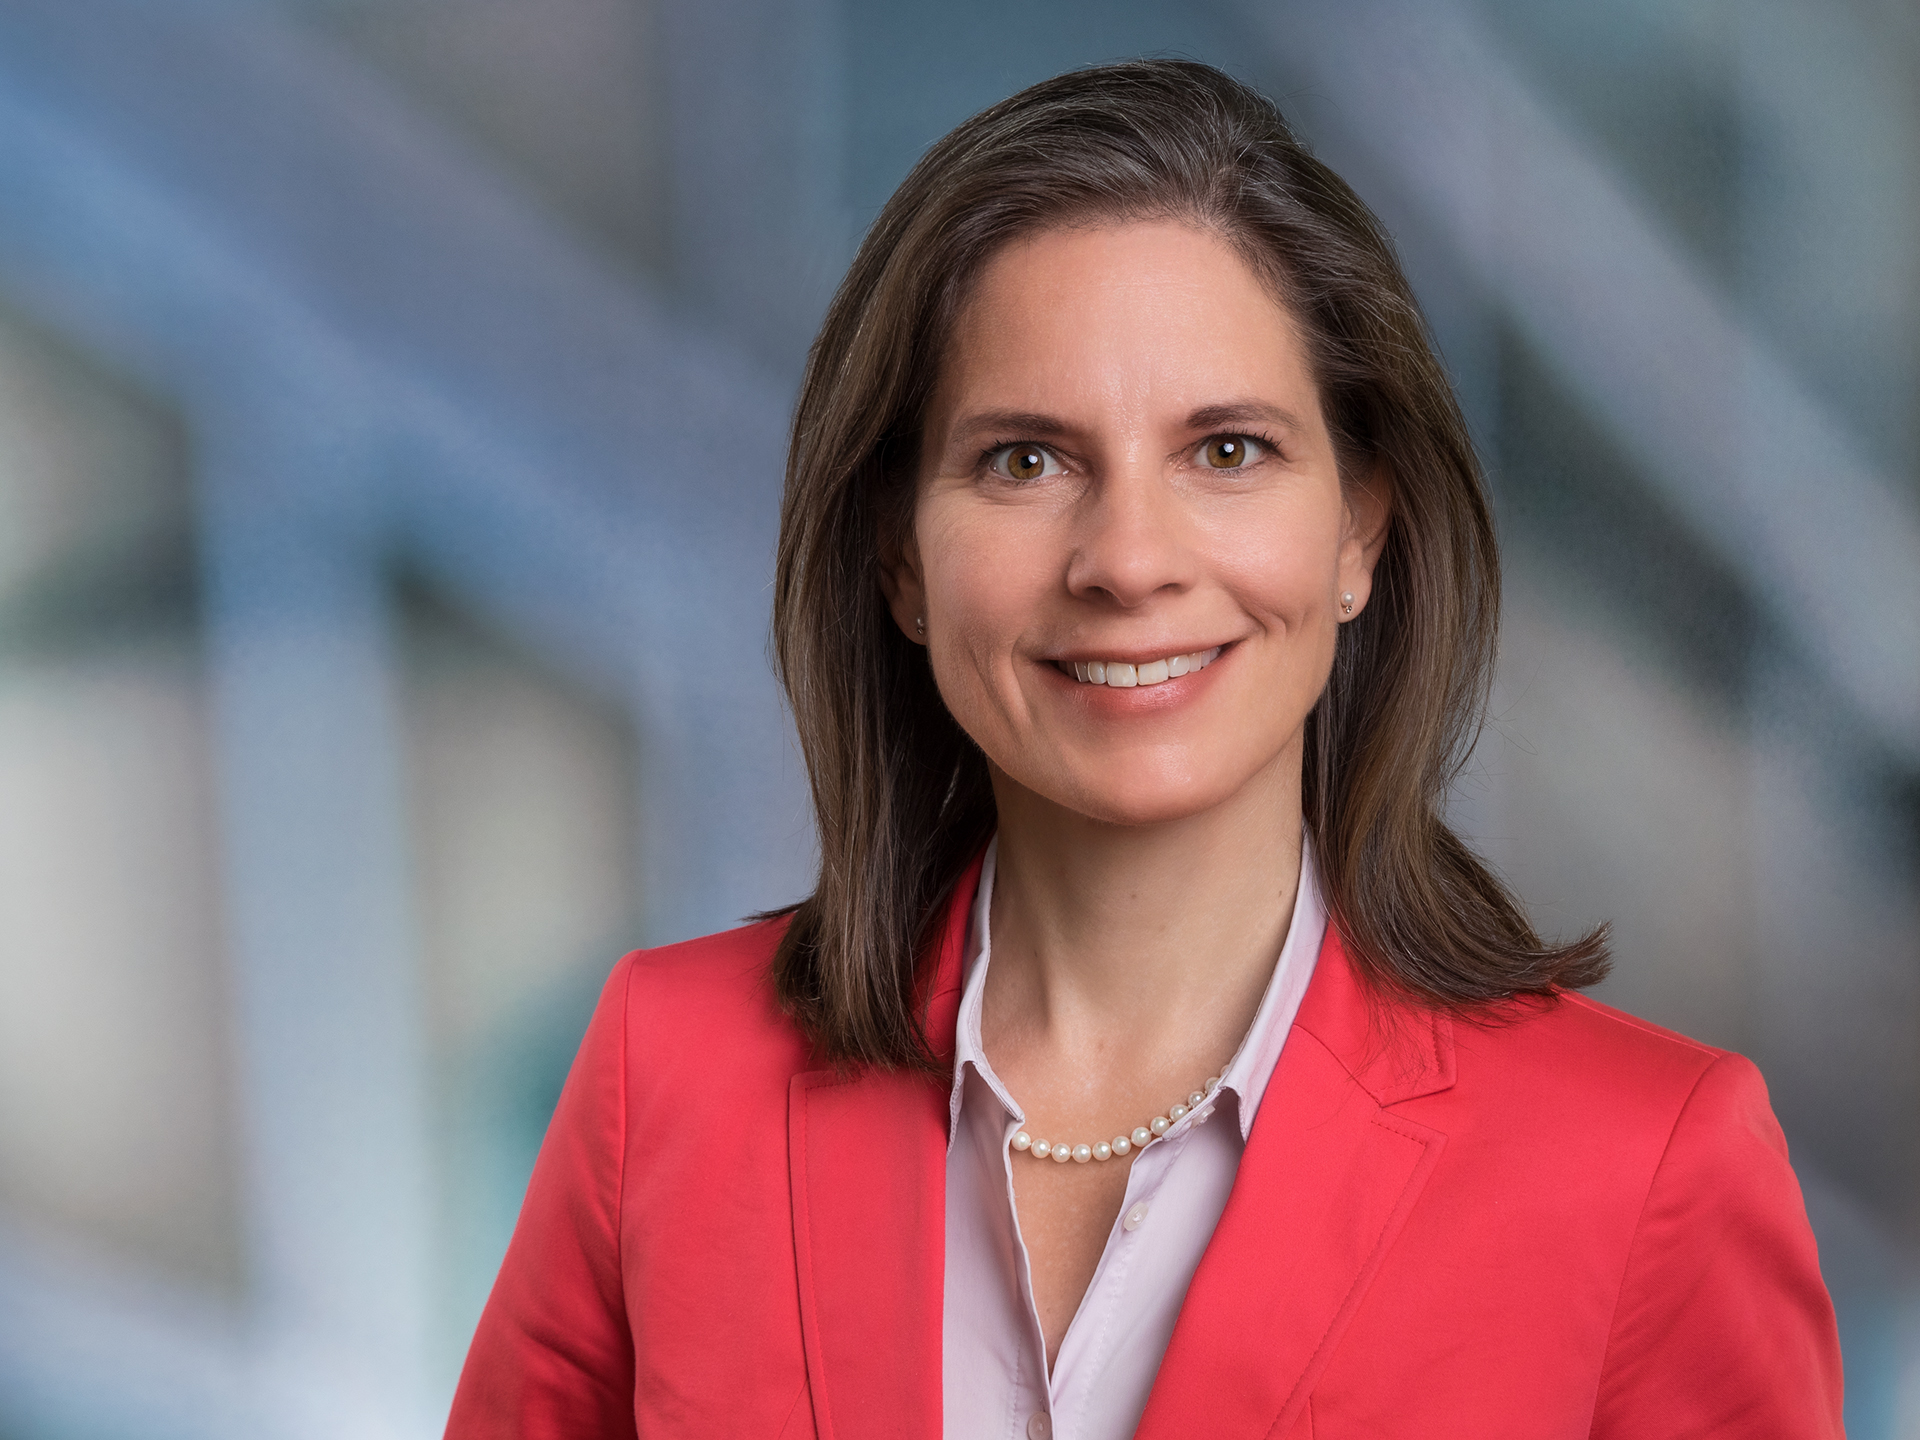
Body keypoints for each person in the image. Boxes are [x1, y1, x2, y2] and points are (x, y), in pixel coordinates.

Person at [444, 60, 1843, 1438]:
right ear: (899, 555)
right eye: (1026, 460)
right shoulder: (671, 1074)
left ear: (1361, 528)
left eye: (1226, 451)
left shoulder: (1645, 1164)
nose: (1126, 561)